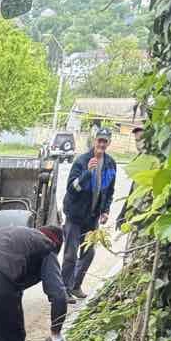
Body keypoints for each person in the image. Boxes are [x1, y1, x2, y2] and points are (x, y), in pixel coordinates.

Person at [62, 127, 117, 300]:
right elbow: (72, 189)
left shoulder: (110, 164)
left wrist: (106, 210)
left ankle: (75, 286)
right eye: (99, 140)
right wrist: (87, 173)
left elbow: (109, 190)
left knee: (88, 253)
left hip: (92, 217)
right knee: (70, 254)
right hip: (75, 215)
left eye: (105, 141)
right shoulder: (82, 161)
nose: (101, 144)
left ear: (108, 143)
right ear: (94, 141)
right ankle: (64, 289)